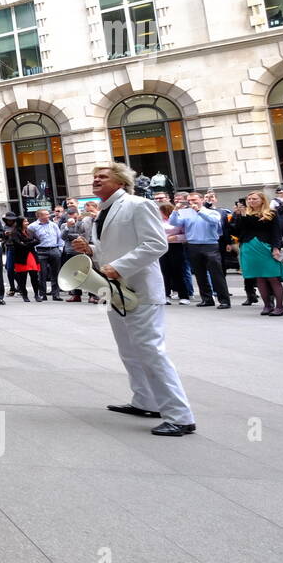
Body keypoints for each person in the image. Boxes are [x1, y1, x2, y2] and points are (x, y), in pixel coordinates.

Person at [72, 163, 196, 437]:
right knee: (128, 350)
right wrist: (90, 249)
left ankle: (180, 416)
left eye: (102, 177)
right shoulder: (102, 211)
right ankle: (145, 401)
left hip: (140, 290)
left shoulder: (139, 205)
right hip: (115, 291)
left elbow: (156, 244)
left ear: (120, 182)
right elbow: (110, 247)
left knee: (151, 351)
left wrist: (120, 267)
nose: (95, 180)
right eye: (94, 177)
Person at [231, 191, 283, 316]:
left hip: (265, 247)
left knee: (273, 277)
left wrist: (276, 248)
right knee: (260, 278)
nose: (251, 201)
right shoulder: (244, 214)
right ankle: (267, 306)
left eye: (254, 199)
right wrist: (241, 216)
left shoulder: (271, 213)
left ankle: (279, 306)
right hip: (249, 248)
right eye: (249, 199)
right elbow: (237, 231)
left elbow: (276, 233)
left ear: (262, 200)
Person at [173, 191, 231, 308]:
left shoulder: (212, 212)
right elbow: (174, 223)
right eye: (189, 201)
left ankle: (224, 300)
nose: (191, 203)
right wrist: (175, 211)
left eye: (194, 200)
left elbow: (214, 221)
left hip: (210, 245)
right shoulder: (186, 213)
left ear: (201, 200)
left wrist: (199, 211)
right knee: (200, 274)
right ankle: (207, 298)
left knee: (216, 274)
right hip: (193, 244)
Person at [158, 202, 193, 306]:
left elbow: (186, 235)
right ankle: (166, 295)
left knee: (178, 272)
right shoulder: (158, 221)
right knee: (164, 272)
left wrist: (176, 237)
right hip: (162, 247)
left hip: (175, 246)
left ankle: (184, 296)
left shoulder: (177, 220)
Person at [30, 208, 63, 300]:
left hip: (54, 249)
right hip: (40, 251)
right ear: (39, 216)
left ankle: (56, 294)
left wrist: (60, 249)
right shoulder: (32, 226)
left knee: (56, 273)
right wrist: (34, 250)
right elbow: (29, 239)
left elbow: (59, 237)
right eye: (46, 214)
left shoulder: (53, 225)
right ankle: (42, 294)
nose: (48, 216)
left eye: (48, 214)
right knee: (42, 273)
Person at [6, 216, 40, 302]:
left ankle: (36, 294)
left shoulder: (30, 231)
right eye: (25, 221)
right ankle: (25, 295)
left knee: (34, 277)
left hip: (31, 256)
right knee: (22, 278)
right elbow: (19, 245)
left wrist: (25, 242)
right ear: (20, 223)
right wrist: (30, 242)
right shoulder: (15, 233)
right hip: (21, 257)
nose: (27, 223)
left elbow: (38, 240)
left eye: (27, 221)